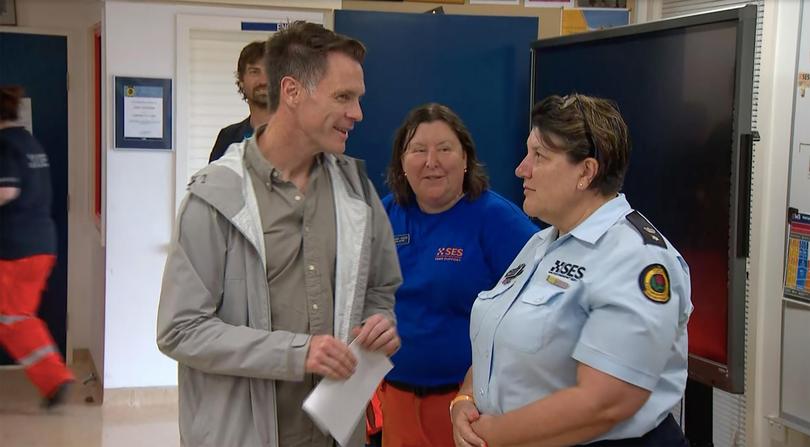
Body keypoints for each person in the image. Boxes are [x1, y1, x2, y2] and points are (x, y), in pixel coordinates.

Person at [157, 21, 402, 447]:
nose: (357, 113)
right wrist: (297, 353)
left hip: (335, 432)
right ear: (291, 91)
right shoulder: (215, 197)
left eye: (357, 98)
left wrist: (380, 322)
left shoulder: (357, 190)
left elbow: (380, 288)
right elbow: (180, 329)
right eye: (343, 97)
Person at [451, 94, 693, 447]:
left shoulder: (638, 258)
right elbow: (499, 343)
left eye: (539, 156)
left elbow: (605, 403)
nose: (522, 168)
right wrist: (465, 401)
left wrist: (494, 436)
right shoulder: (542, 243)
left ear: (586, 171)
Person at [377, 103, 538, 447]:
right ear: (402, 163)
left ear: (466, 159)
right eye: (418, 150)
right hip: (397, 401)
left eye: (445, 149)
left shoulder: (498, 221)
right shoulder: (387, 213)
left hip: (470, 407)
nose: (431, 161)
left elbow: (536, 313)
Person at [0, 85, 74, 408]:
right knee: (15, 315)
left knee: (13, 318)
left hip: (17, 247)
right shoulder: (31, 143)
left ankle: (55, 379)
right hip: (41, 243)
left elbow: (5, 191)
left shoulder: (3, 145)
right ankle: (54, 378)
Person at [208, 40, 272, 162]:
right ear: (241, 81)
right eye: (254, 72)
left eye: (270, 72)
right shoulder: (228, 137)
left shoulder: (300, 137)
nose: (263, 81)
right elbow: (214, 180)